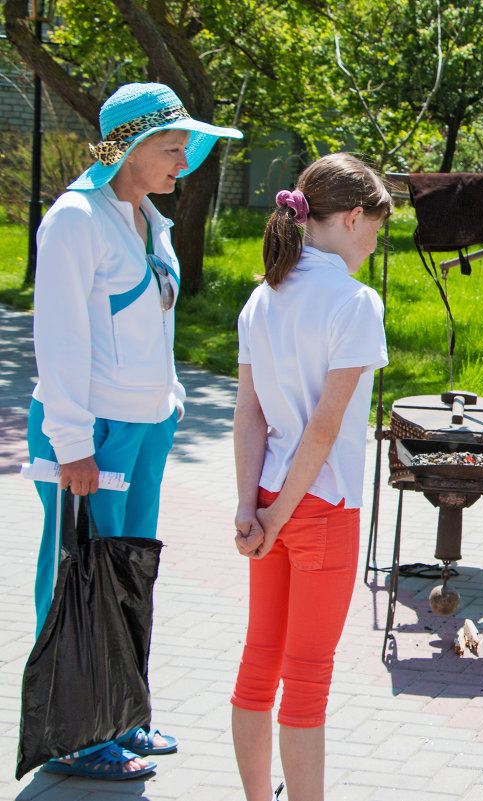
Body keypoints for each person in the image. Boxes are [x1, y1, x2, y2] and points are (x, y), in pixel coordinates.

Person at [27, 82, 241, 779]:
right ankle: (75, 735)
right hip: (90, 433)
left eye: (185, 149)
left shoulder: (148, 217)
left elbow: (154, 320)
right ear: (129, 148)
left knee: (126, 576)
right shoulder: (75, 220)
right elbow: (59, 338)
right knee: (82, 578)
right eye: (173, 148)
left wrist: (172, 398)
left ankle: (121, 714)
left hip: (146, 423)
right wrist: (72, 443)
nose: (184, 162)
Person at [230, 153, 391, 801]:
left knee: (258, 662)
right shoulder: (356, 301)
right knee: (306, 678)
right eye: (376, 229)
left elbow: (248, 415)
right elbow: (324, 429)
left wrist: (251, 508)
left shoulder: (261, 296)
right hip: (321, 508)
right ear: (352, 218)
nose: (376, 243)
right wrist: (280, 513)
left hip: (268, 496)